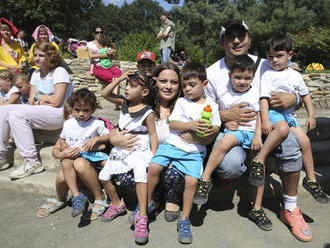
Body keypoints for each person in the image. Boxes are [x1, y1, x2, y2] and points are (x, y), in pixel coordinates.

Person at [204, 19, 312, 242]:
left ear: (249, 38)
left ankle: (290, 208)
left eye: (241, 35)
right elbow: (203, 109)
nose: (236, 40)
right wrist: (224, 116)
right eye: (230, 36)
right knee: (231, 166)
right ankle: (227, 181)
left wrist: (295, 98)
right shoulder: (212, 72)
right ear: (221, 41)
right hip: (234, 131)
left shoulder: (265, 62)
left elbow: (296, 89)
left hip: (265, 126)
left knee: (291, 143)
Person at [146, 62, 221, 244]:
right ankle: (145, 204)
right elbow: (173, 124)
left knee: (192, 181)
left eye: (192, 85)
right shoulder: (180, 102)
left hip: (194, 151)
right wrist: (191, 125)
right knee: (154, 166)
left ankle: (184, 218)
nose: (187, 89)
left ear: (204, 84)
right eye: (184, 85)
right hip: (172, 145)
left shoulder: (212, 105)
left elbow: (217, 126)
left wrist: (210, 131)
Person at [258, 33, 328, 204]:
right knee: (282, 128)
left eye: (279, 56)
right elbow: (264, 100)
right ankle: (259, 159)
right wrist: (266, 120)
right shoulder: (267, 75)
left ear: (290, 55)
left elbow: (306, 96)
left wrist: (312, 116)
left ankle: (311, 180)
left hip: (290, 115)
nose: (274, 60)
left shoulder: (295, 75)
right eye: (270, 57)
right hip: (275, 113)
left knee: (304, 141)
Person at [195, 55, 263, 202]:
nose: (243, 82)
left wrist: (258, 134)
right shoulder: (226, 94)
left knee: (258, 165)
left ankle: (256, 205)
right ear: (230, 75)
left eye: (247, 78)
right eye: (238, 77)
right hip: (237, 131)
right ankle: (205, 180)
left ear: (253, 77)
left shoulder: (256, 93)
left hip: (252, 132)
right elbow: (221, 115)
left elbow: (260, 115)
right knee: (224, 142)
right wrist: (226, 123)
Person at [99, 70, 157, 244]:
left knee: (140, 173)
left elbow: (153, 134)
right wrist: (122, 77)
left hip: (139, 147)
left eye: (132, 86)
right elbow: (105, 93)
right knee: (104, 176)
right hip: (121, 147)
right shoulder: (123, 103)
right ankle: (117, 204)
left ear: (144, 92)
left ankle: (142, 216)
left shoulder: (148, 112)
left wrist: (153, 154)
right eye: (127, 85)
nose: (127, 88)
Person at [0, 42, 73, 178]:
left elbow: (57, 101)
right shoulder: (36, 74)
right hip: (42, 109)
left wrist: (41, 98)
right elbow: (32, 100)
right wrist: (44, 99)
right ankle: (1, 158)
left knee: (17, 114)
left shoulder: (59, 72)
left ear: (50, 56)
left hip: (59, 113)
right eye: (35, 55)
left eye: (41, 55)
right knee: (2, 111)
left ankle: (32, 162)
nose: (36, 58)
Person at [38, 88, 110, 218]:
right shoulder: (68, 124)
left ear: (93, 109)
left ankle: (99, 197)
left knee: (79, 164)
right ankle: (74, 196)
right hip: (70, 158)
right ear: (72, 109)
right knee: (63, 171)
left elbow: (107, 140)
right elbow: (60, 143)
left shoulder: (97, 123)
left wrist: (96, 141)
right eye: (77, 110)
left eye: (85, 110)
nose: (81, 113)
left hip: (89, 160)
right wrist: (63, 152)